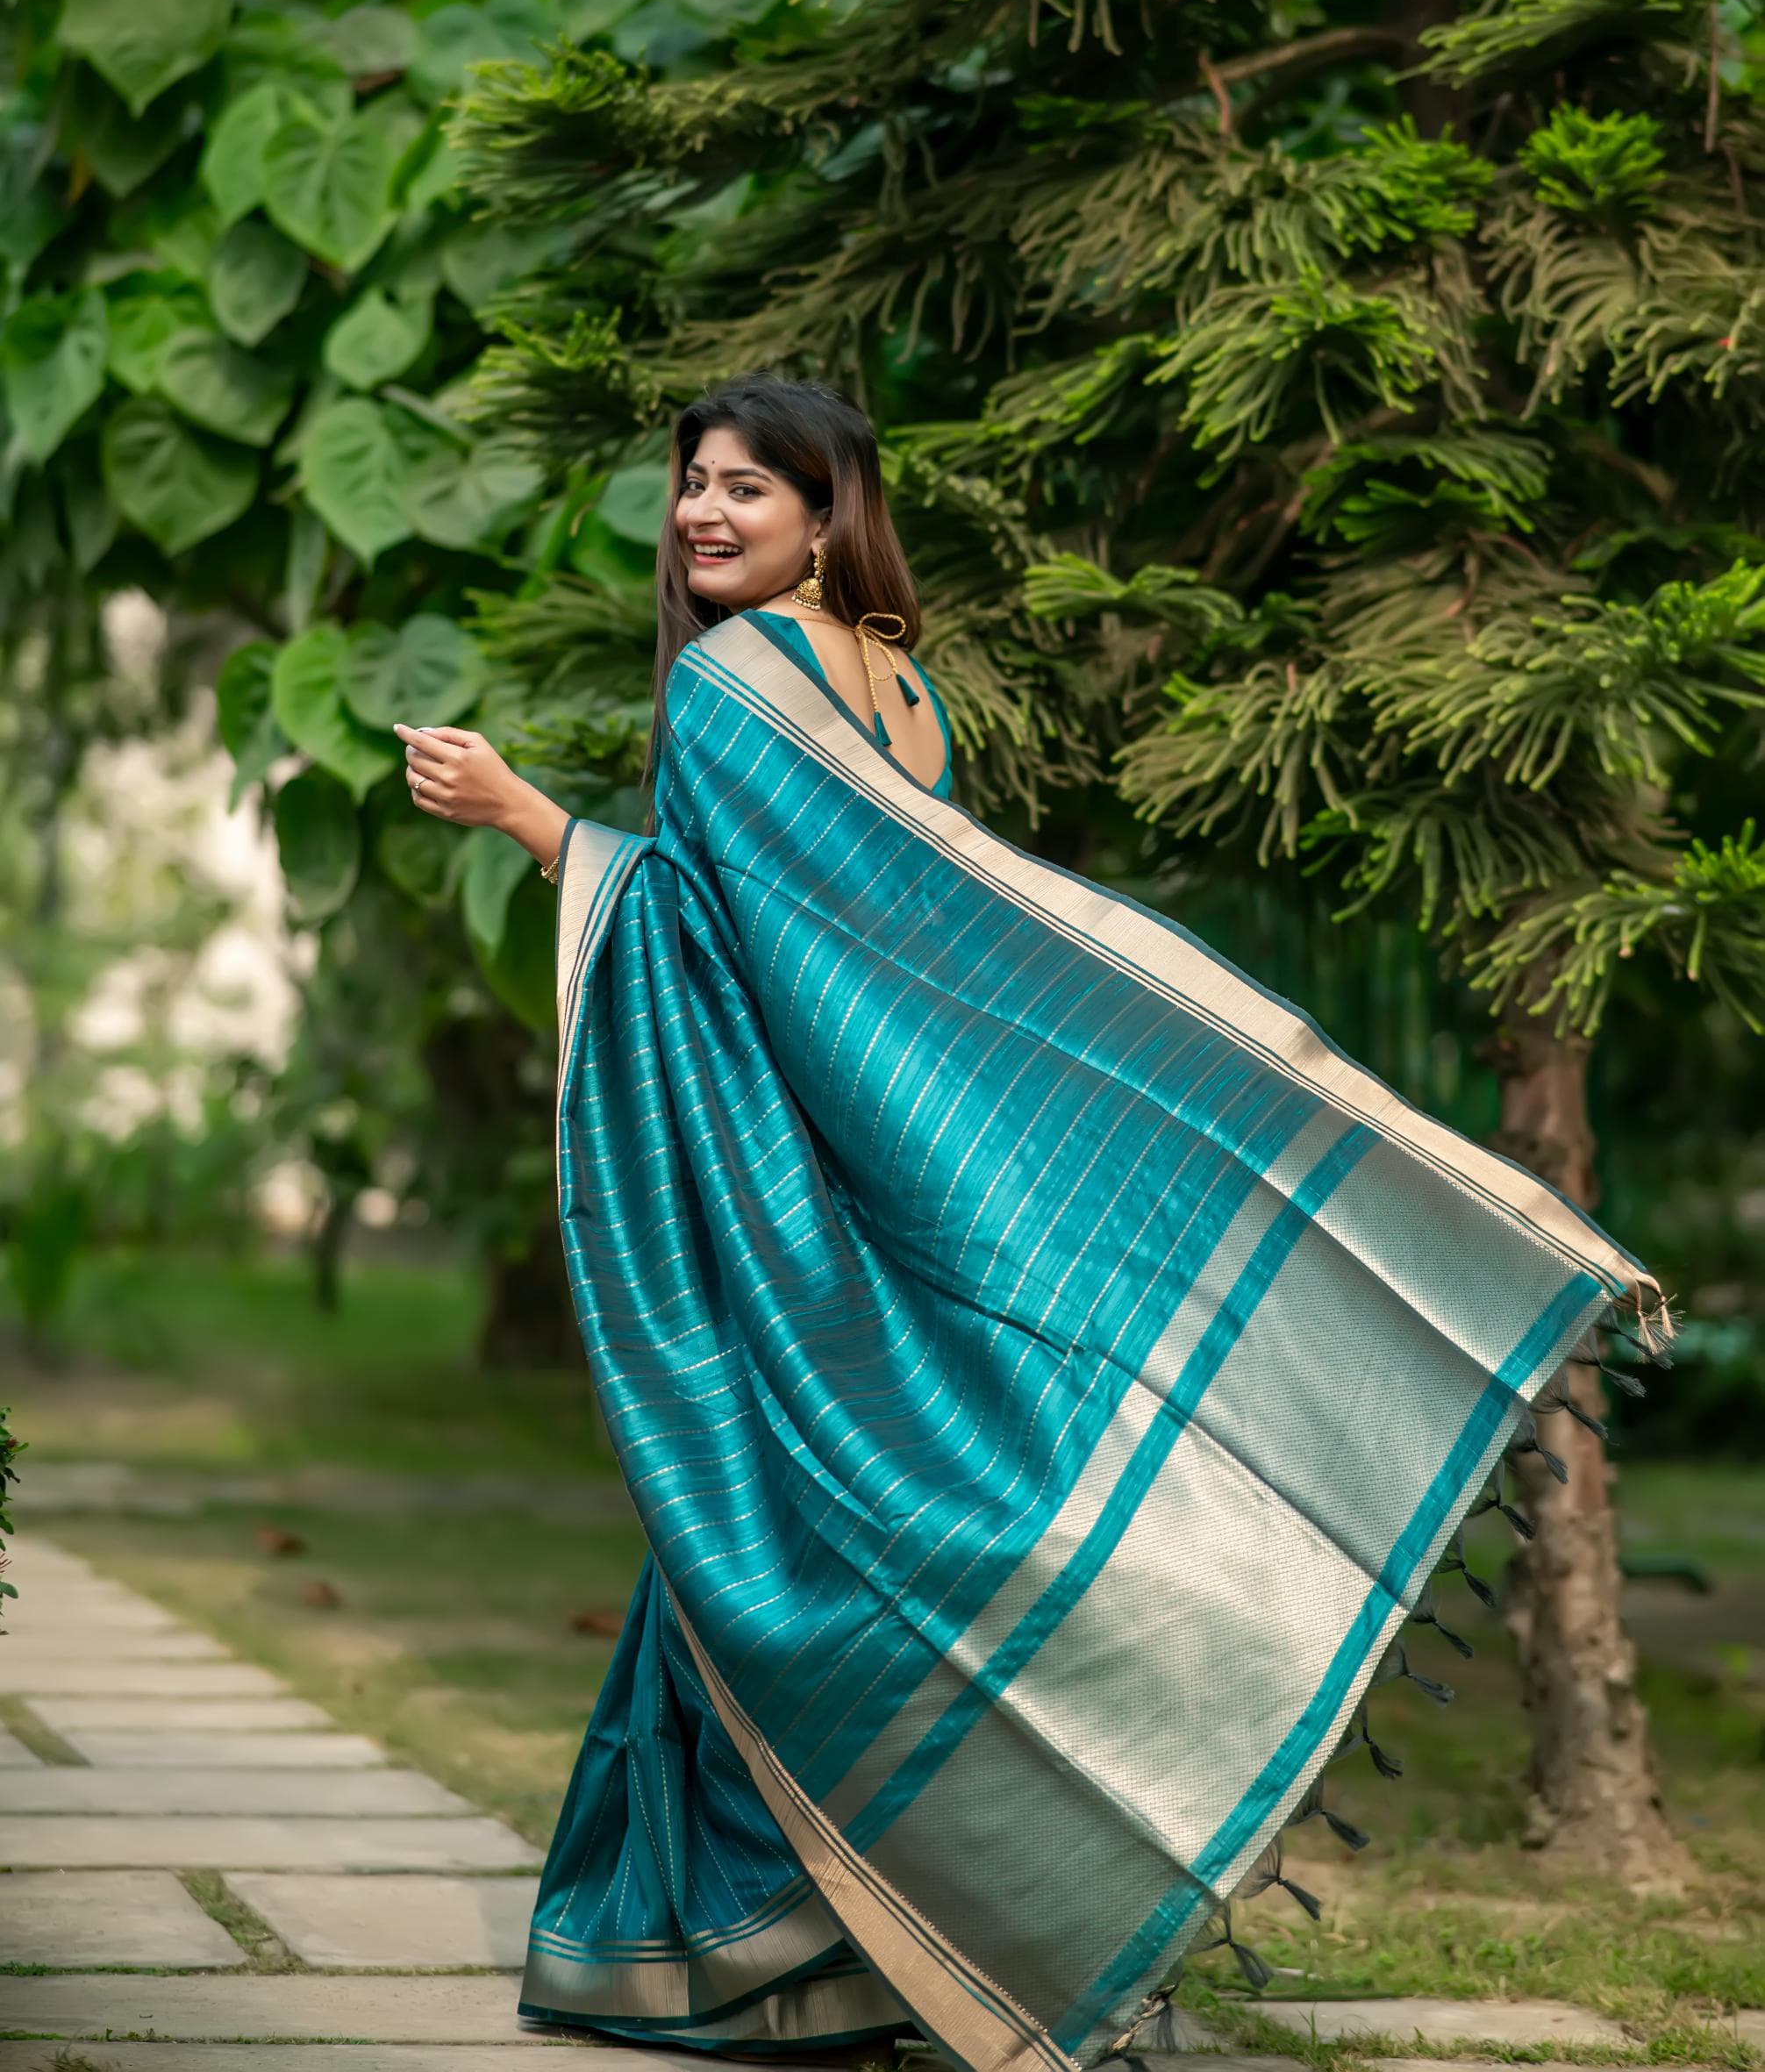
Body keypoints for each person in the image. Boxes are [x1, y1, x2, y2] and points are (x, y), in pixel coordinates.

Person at [393, 373, 1666, 2072]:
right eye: (691, 480)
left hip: (815, 1183)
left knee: (761, 1518)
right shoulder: (903, 687)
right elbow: (894, 936)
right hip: (889, 1163)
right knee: (793, 1518)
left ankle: (738, 1959)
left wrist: (531, 822)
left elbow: (732, 940)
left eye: (747, 488)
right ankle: (870, 1952)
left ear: (826, 514)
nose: (700, 511)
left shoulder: (733, 678)